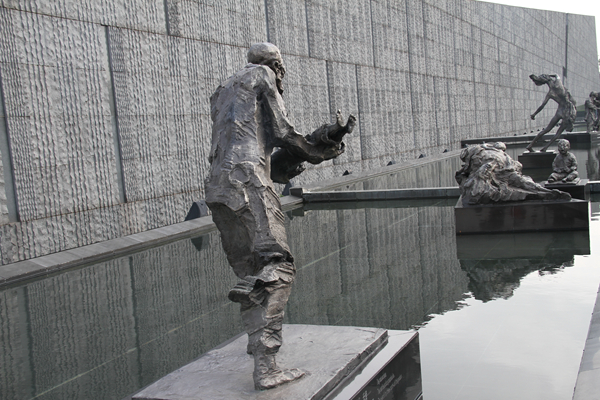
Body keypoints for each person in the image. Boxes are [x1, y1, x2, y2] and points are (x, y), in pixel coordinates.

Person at [204, 42, 354, 390]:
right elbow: (283, 132)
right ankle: (267, 367)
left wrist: (308, 150)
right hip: (248, 178)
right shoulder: (263, 75)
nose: (281, 74)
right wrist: (320, 149)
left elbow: (260, 142)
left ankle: (257, 342)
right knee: (279, 268)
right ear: (277, 64)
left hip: (217, 186)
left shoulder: (223, 90)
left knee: (252, 270)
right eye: (281, 67)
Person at [526, 74, 576, 153]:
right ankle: (545, 147)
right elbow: (556, 75)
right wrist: (549, 75)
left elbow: (542, 106)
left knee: (547, 130)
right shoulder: (558, 84)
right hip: (567, 111)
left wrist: (534, 114)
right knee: (558, 133)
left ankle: (531, 145)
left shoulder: (550, 93)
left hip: (560, 111)